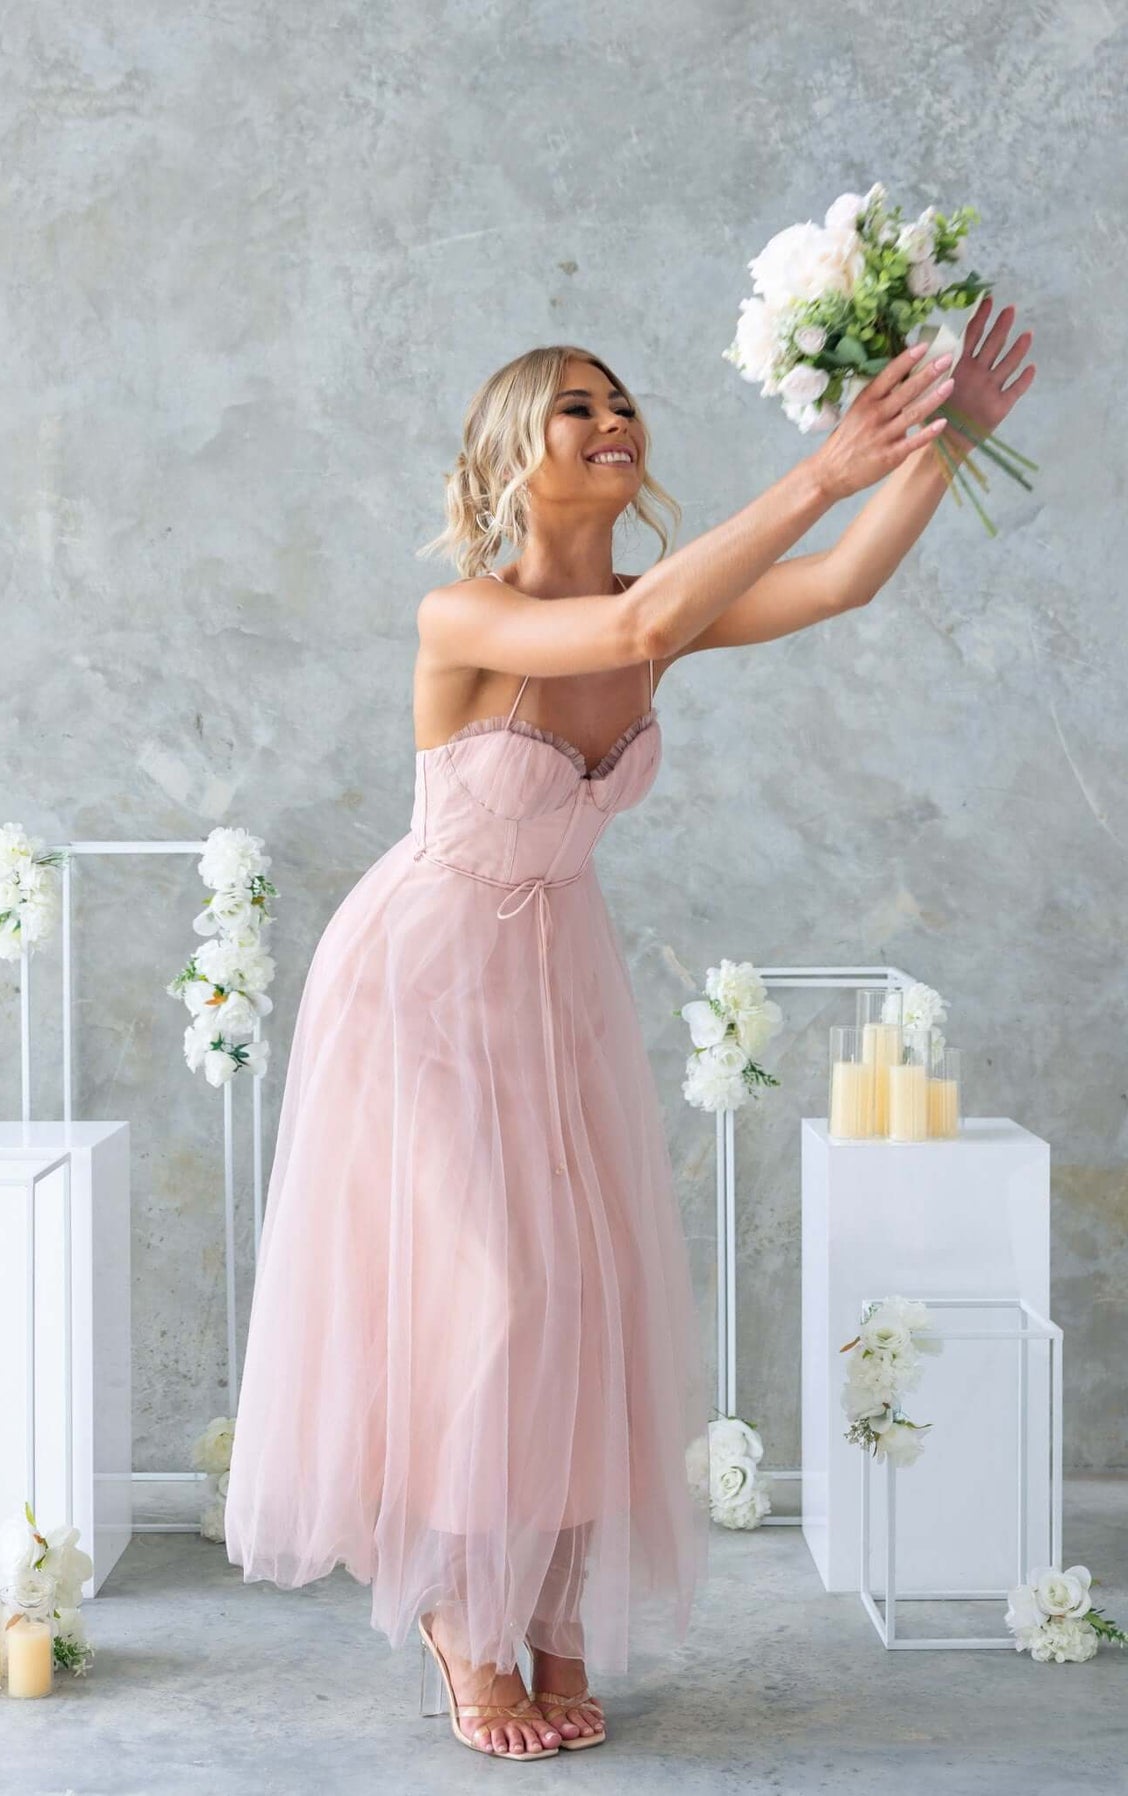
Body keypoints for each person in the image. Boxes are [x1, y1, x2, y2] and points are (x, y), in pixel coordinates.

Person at [225, 314, 1031, 1760]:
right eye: (570, 407)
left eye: (621, 402)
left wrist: (939, 437)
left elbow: (841, 582)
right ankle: (462, 1618)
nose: (611, 420)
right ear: (509, 461)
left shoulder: (669, 597)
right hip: (423, 985)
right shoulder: (462, 619)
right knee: (496, 1296)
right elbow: (637, 634)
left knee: (583, 1296)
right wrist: (823, 465)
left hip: (556, 982)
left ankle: (552, 1610)